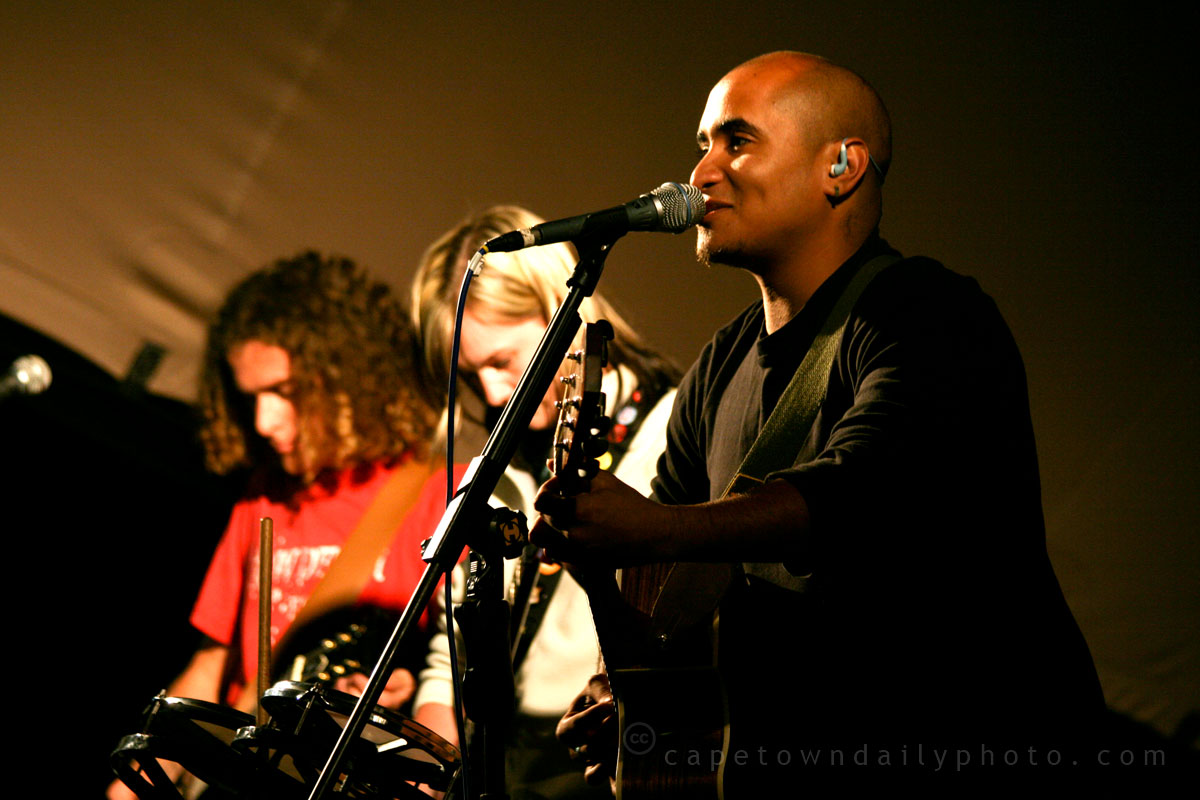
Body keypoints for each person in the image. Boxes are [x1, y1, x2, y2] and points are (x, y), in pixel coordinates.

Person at [534, 52, 1104, 792]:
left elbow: (858, 495)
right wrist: (632, 687)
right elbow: (665, 592)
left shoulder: (929, 314)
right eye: (702, 145)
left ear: (842, 166)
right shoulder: (721, 364)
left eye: (737, 141)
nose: (700, 174)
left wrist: (658, 529)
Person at [108, 251, 448, 799]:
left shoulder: (433, 492)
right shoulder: (264, 493)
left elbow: (448, 679)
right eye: (250, 398)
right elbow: (212, 666)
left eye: (285, 392)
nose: (263, 421)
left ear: (347, 374)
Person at [408, 206, 680, 798]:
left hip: (604, 757)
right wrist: (430, 761)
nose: (491, 393)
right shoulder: (500, 464)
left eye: (503, 362)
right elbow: (452, 655)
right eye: (470, 375)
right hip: (502, 758)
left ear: (560, 311)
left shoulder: (670, 431)